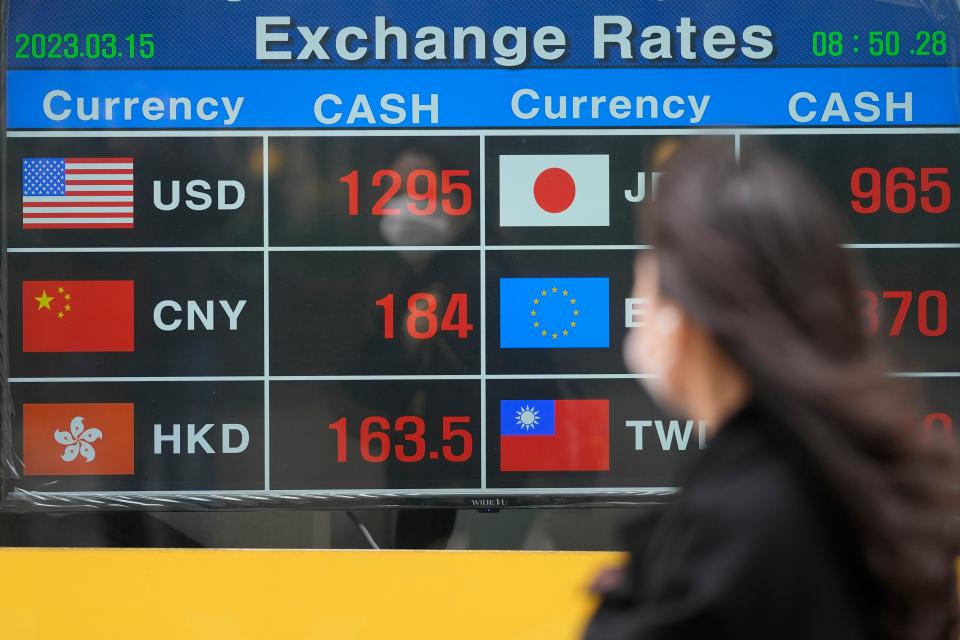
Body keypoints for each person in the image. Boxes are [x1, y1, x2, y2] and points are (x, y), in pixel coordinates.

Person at [585, 140, 959, 639]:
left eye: (647, 286)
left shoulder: (747, 521)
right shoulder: (825, 477)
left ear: (693, 313)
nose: (637, 310)